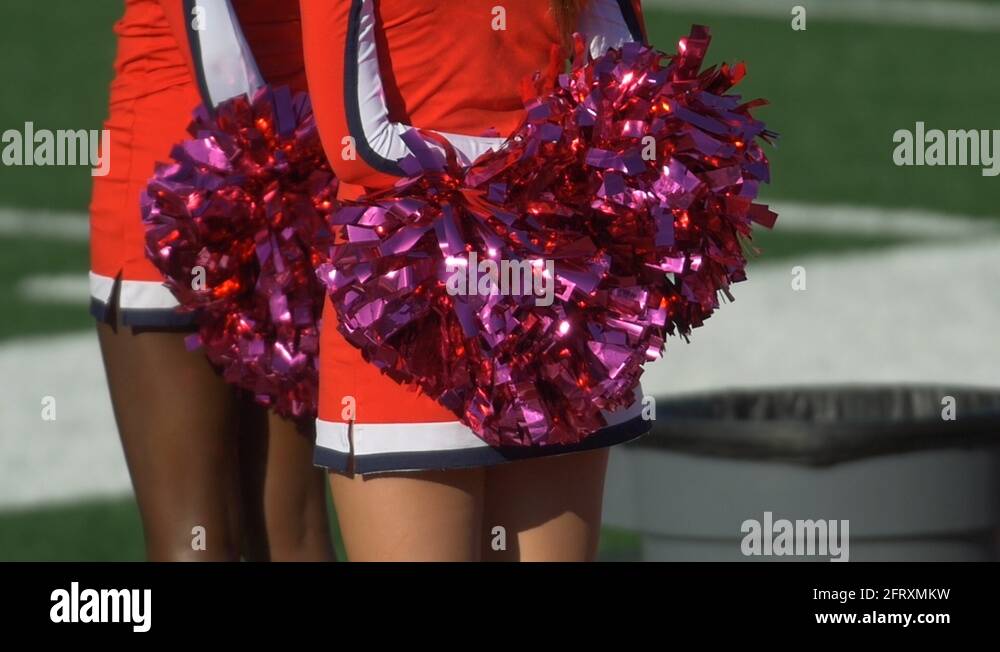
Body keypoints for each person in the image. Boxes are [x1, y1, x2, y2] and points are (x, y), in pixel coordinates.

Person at [299, 0, 649, 561]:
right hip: (410, 319)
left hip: (554, 317)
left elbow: (626, 100)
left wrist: (530, 171)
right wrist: (543, 167)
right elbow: (361, 149)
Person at [90, 0, 333, 561]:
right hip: (298, 187)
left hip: (176, 185)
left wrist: (261, 156)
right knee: (293, 529)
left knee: (195, 536)